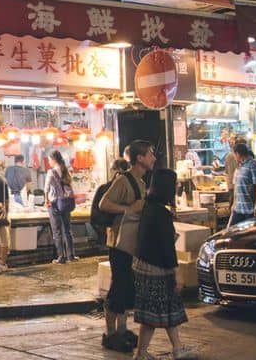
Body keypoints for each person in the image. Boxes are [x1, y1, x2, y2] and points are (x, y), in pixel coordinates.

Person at [99, 140, 156, 353]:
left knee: (125, 287)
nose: (153, 158)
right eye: (150, 154)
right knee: (119, 287)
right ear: (139, 158)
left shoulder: (141, 182)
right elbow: (103, 204)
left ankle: (121, 330)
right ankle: (111, 332)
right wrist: (129, 209)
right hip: (118, 243)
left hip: (130, 243)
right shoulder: (123, 181)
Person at [132, 168, 195, 360]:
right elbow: (167, 247)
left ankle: (174, 348)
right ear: (167, 187)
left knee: (161, 310)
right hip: (157, 268)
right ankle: (145, 353)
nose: (177, 186)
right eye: (175, 183)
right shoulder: (160, 213)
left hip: (143, 264)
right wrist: (177, 272)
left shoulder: (149, 207)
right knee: (157, 311)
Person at [44, 150, 78, 264]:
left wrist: (46, 200)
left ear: (54, 159)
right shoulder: (65, 170)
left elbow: (46, 188)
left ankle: (61, 257)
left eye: (49, 160)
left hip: (54, 204)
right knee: (67, 230)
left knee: (57, 231)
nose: (49, 162)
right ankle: (71, 255)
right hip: (66, 203)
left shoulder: (51, 172)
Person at [90, 159, 131, 246]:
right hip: (122, 228)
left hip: (113, 227)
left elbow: (96, 212)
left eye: (112, 169)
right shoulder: (129, 186)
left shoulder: (107, 187)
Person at [229, 143, 256, 227]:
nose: (234, 158)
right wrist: (234, 204)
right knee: (232, 232)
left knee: (249, 235)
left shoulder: (253, 164)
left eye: (234, 155)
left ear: (238, 154)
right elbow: (237, 188)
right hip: (238, 209)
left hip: (250, 210)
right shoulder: (240, 167)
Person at [224, 137, 246, 205]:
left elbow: (226, 172)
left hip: (231, 185)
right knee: (236, 204)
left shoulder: (228, 156)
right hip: (237, 185)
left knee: (233, 204)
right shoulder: (237, 156)